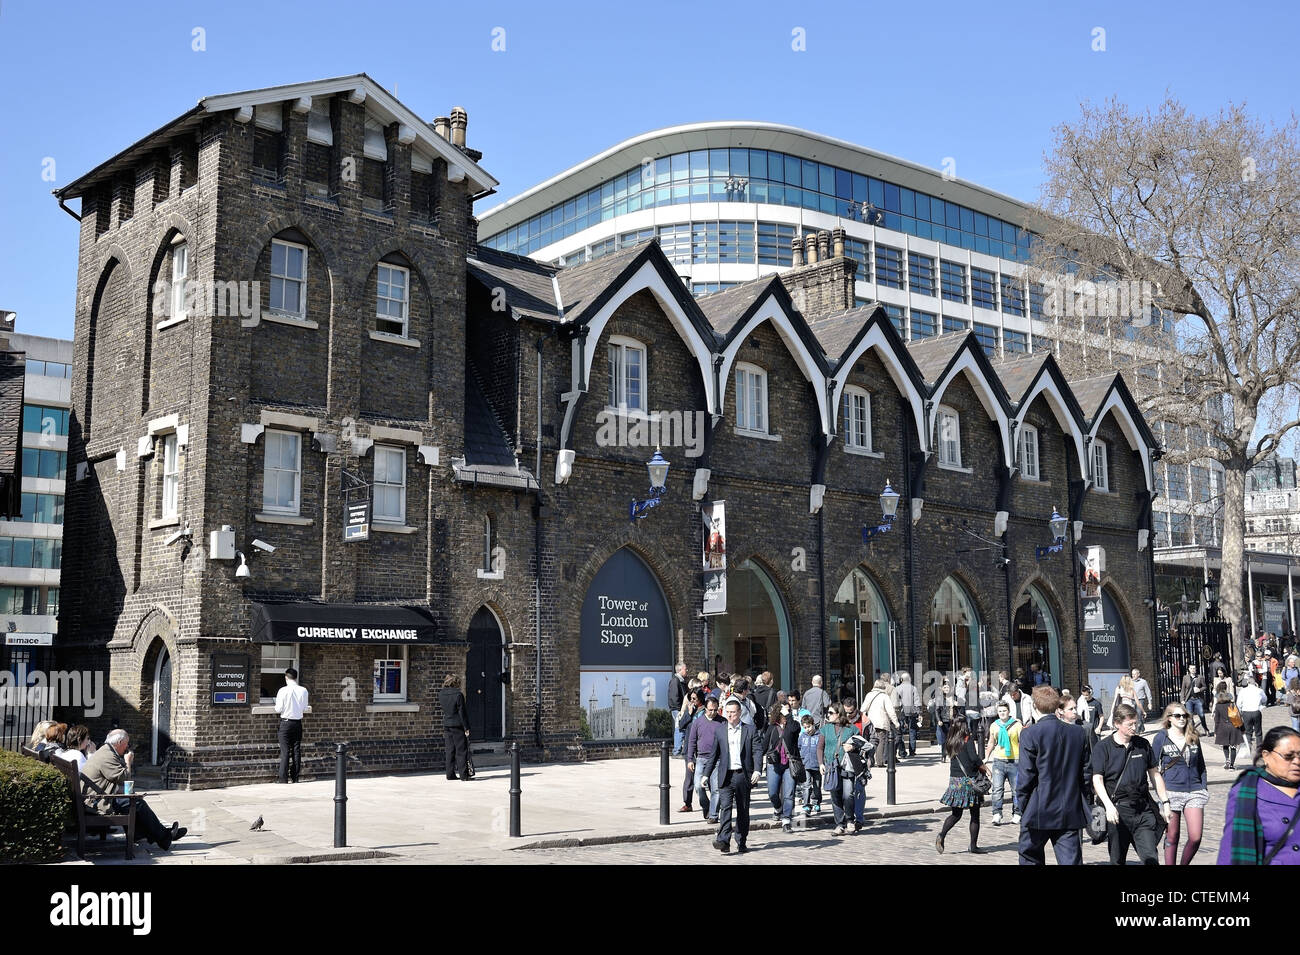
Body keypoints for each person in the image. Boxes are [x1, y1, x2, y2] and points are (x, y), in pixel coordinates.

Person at [1016, 685, 1088, 865]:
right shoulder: (1077, 732)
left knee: (1030, 858)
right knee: (1071, 861)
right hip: (1069, 808)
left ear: (1034, 706)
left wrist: (1023, 807)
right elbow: (1085, 773)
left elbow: (1025, 777)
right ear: (1056, 706)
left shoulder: (1030, 733)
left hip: (1038, 808)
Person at [1091, 703, 1171, 865]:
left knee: (1151, 858)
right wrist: (1108, 806)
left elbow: (1155, 775)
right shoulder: (1103, 747)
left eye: (1135, 723)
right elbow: (1097, 779)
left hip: (1142, 810)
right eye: (1130, 724)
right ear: (1117, 724)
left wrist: (1165, 802)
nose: (1134, 727)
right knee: (1117, 860)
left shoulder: (1142, 745)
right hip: (1117, 812)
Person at [83, 730, 186, 850]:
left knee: (133, 800)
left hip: (94, 798)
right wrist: (128, 762)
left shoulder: (106, 751)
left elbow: (111, 781)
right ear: (120, 742)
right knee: (137, 803)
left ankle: (145, 834)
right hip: (96, 802)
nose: (127, 746)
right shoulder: (107, 755)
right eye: (127, 743)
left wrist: (125, 791)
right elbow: (123, 778)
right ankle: (164, 837)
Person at [1217, 726, 1300, 864]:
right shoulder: (1248, 794)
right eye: (1288, 756)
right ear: (1266, 755)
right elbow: (1231, 849)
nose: (1297, 762)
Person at [702, 698, 764, 854]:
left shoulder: (750, 730)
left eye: (733, 713)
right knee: (725, 808)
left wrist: (757, 770)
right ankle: (723, 841)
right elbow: (713, 755)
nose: (729, 716)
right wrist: (705, 775)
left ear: (740, 713)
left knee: (743, 810)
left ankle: (741, 840)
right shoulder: (720, 730)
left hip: (742, 775)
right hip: (725, 775)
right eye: (727, 712)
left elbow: (757, 751)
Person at [1152, 703, 1208, 865]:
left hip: (1194, 791)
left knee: (1195, 836)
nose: (1182, 719)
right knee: (1172, 835)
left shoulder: (1193, 736)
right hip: (1171, 791)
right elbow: (1153, 768)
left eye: (1184, 716)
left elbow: (1201, 765)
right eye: (1178, 716)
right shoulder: (1161, 738)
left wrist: (1203, 785)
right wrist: (1161, 795)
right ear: (1169, 718)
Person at [936, 720, 989, 855]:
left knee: (956, 814)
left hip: (955, 781)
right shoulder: (967, 739)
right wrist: (984, 767)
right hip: (968, 781)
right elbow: (973, 758)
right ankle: (973, 845)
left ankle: (942, 834)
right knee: (975, 814)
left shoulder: (951, 741)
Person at [820, 705, 866, 835]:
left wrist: (852, 747)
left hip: (848, 766)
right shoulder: (825, 729)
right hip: (831, 767)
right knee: (835, 796)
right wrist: (820, 764)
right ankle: (840, 824)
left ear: (839, 714)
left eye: (830, 713)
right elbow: (820, 747)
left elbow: (862, 745)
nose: (827, 715)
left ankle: (850, 821)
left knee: (848, 794)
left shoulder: (851, 729)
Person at [762, 703, 799, 831]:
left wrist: (789, 716)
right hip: (774, 764)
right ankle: (778, 808)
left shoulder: (792, 725)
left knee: (789, 793)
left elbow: (795, 730)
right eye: (784, 713)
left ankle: (786, 820)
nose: (786, 715)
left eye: (788, 713)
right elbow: (764, 745)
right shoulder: (772, 727)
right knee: (772, 793)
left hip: (789, 764)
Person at [984, 701, 1022, 826]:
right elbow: (991, 742)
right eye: (1000, 711)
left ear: (1009, 711)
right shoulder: (994, 725)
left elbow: (1022, 742)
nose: (1002, 713)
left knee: (1016, 790)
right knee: (997, 789)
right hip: (999, 761)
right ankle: (997, 813)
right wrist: (986, 757)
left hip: (1014, 761)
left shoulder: (1017, 725)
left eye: (1004, 711)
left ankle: (1017, 813)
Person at [686, 695, 723, 822]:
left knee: (716, 789)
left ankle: (713, 815)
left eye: (715, 710)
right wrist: (690, 759)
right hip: (701, 758)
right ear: (705, 709)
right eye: (710, 710)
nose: (712, 712)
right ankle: (706, 806)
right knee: (698, 786)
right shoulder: (698, 722)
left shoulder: (722, 722)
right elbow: (691, 741)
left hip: (717, 760)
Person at [677, 689, 706, 812]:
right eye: (691, 699)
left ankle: (710, 804)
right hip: (690, 748)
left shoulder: (706, 711)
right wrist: (688, 713)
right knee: (689, 777)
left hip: (703, 749)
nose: (692, 701)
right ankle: (687, 803)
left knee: (703, 780)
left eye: (694, 698)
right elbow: (681, 725)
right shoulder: (691, 711)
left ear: (700, 698)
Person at [437, 673, 471, 782]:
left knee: (450, 750)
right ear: (456, 682)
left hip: (447, 724)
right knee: (461, 750)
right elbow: (462, 713)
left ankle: (450, 774)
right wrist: (466, 727)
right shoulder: (458, 695)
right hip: (457, 725)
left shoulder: (441, 694)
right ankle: (464, 775)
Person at [863, 678, 899, 768]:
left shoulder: (869, 695)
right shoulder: (884, 696)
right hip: (881, 723)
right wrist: (896, 722)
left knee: (871, 741)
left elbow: (863, 709)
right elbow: (891, 711)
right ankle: (879, 762)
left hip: (870, 723)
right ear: (883, 686)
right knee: (880, 742)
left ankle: (870, 761)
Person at [1213, 682, 1245, 769]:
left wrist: (1216, 731)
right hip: (1234, 727)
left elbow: (1217, 720)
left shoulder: (1218, 706)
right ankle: (1232, 765)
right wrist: (1242, 729)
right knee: (1233, 747)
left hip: (1223, 727)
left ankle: (1227, 760)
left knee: (1225, 745)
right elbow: (1239, 717)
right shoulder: (1232, 704)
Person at [797, 714, 823, 815]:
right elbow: (799, 747)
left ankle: (816, 802)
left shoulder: (819, 735)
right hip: (806, 764)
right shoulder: (802, 736)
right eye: (805, 727)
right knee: (806, 785)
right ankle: (806, 805)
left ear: (813, 724)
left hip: (817, 764)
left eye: (809, 727)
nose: (807, 729)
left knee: (817, 785)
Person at [1237, 672, 1267, 755]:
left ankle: (1248, 748)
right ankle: (1259, 749)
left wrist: (1240, 711)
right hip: (1256, 711)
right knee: (1258, 732)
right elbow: (1264, 699)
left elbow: (1239, 703)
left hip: (1246, 712)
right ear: (1255, 683)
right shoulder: (1259, 690)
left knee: (1248, 731)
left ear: (1248, 682)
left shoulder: (1243, 691)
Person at [895, 671, 921, 758]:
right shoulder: (913, 688)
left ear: (901, 679)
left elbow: (896, 702)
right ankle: (912, 751)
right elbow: (917, 701)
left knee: (900, 733)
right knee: (912, 731)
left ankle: (902, 752)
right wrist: (918, 712)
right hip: (912, 712)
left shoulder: (897, 688)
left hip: (901, 713)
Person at [930, 677, 957, 752]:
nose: (946, 689)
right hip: (944, 720)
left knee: (952, 738)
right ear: (942, 688)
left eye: (947, 687)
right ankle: (943, 755)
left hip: (953, 721)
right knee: (944, 738)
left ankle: (951, 753)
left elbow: (959, 710)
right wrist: (939, 720)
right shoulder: (940, 698)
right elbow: (937, 710)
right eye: (944, 687)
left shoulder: (954, 697)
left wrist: (957, 705)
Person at [1181, 664, 1210, 733]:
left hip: (1198, 699)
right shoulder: (1185, 677)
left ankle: (1205, 728)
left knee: (1201, 715)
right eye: (1191, 668)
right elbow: (1183, 689)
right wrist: (1182, 699)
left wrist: (1199, 690)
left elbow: (1205, 687)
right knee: (1190, 716)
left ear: (1196, 669)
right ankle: (1192, 730)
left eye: (1194, 668)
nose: (1193, 670)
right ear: (1189, 669)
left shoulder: (1200, 677)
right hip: (1189, 700)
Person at [668, 664, 688, 755]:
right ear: (680, 670)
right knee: (679, 728)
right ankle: (677, 751)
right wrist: (680, 710)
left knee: (681, 728)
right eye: (685, 669)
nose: (686, 670)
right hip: (678, 709)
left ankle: (678, 749)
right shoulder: (675, 681)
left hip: (680, 709)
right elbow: (674, 696)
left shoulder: (681, 681)